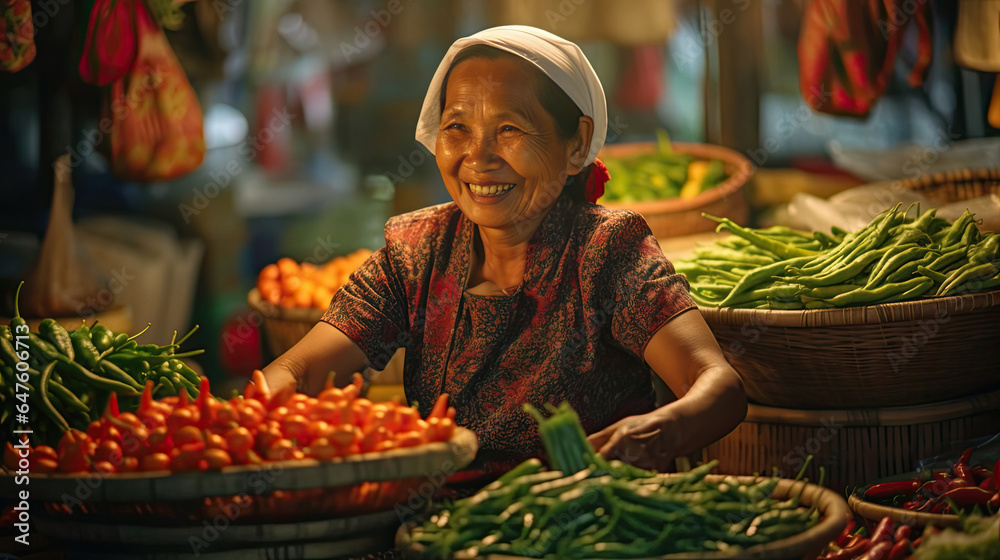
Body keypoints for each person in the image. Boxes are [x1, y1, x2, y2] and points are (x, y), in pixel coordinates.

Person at [262, 25, 747, 481]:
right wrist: (248, 419)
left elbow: (717, 385)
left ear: (576, 144)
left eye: (509, 129)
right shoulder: (415, 252)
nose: (478, 157)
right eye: (457, 128)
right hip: (444, 531)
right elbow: (296, 371)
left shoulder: (608, 251)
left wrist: (652, 435)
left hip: (587, 523)